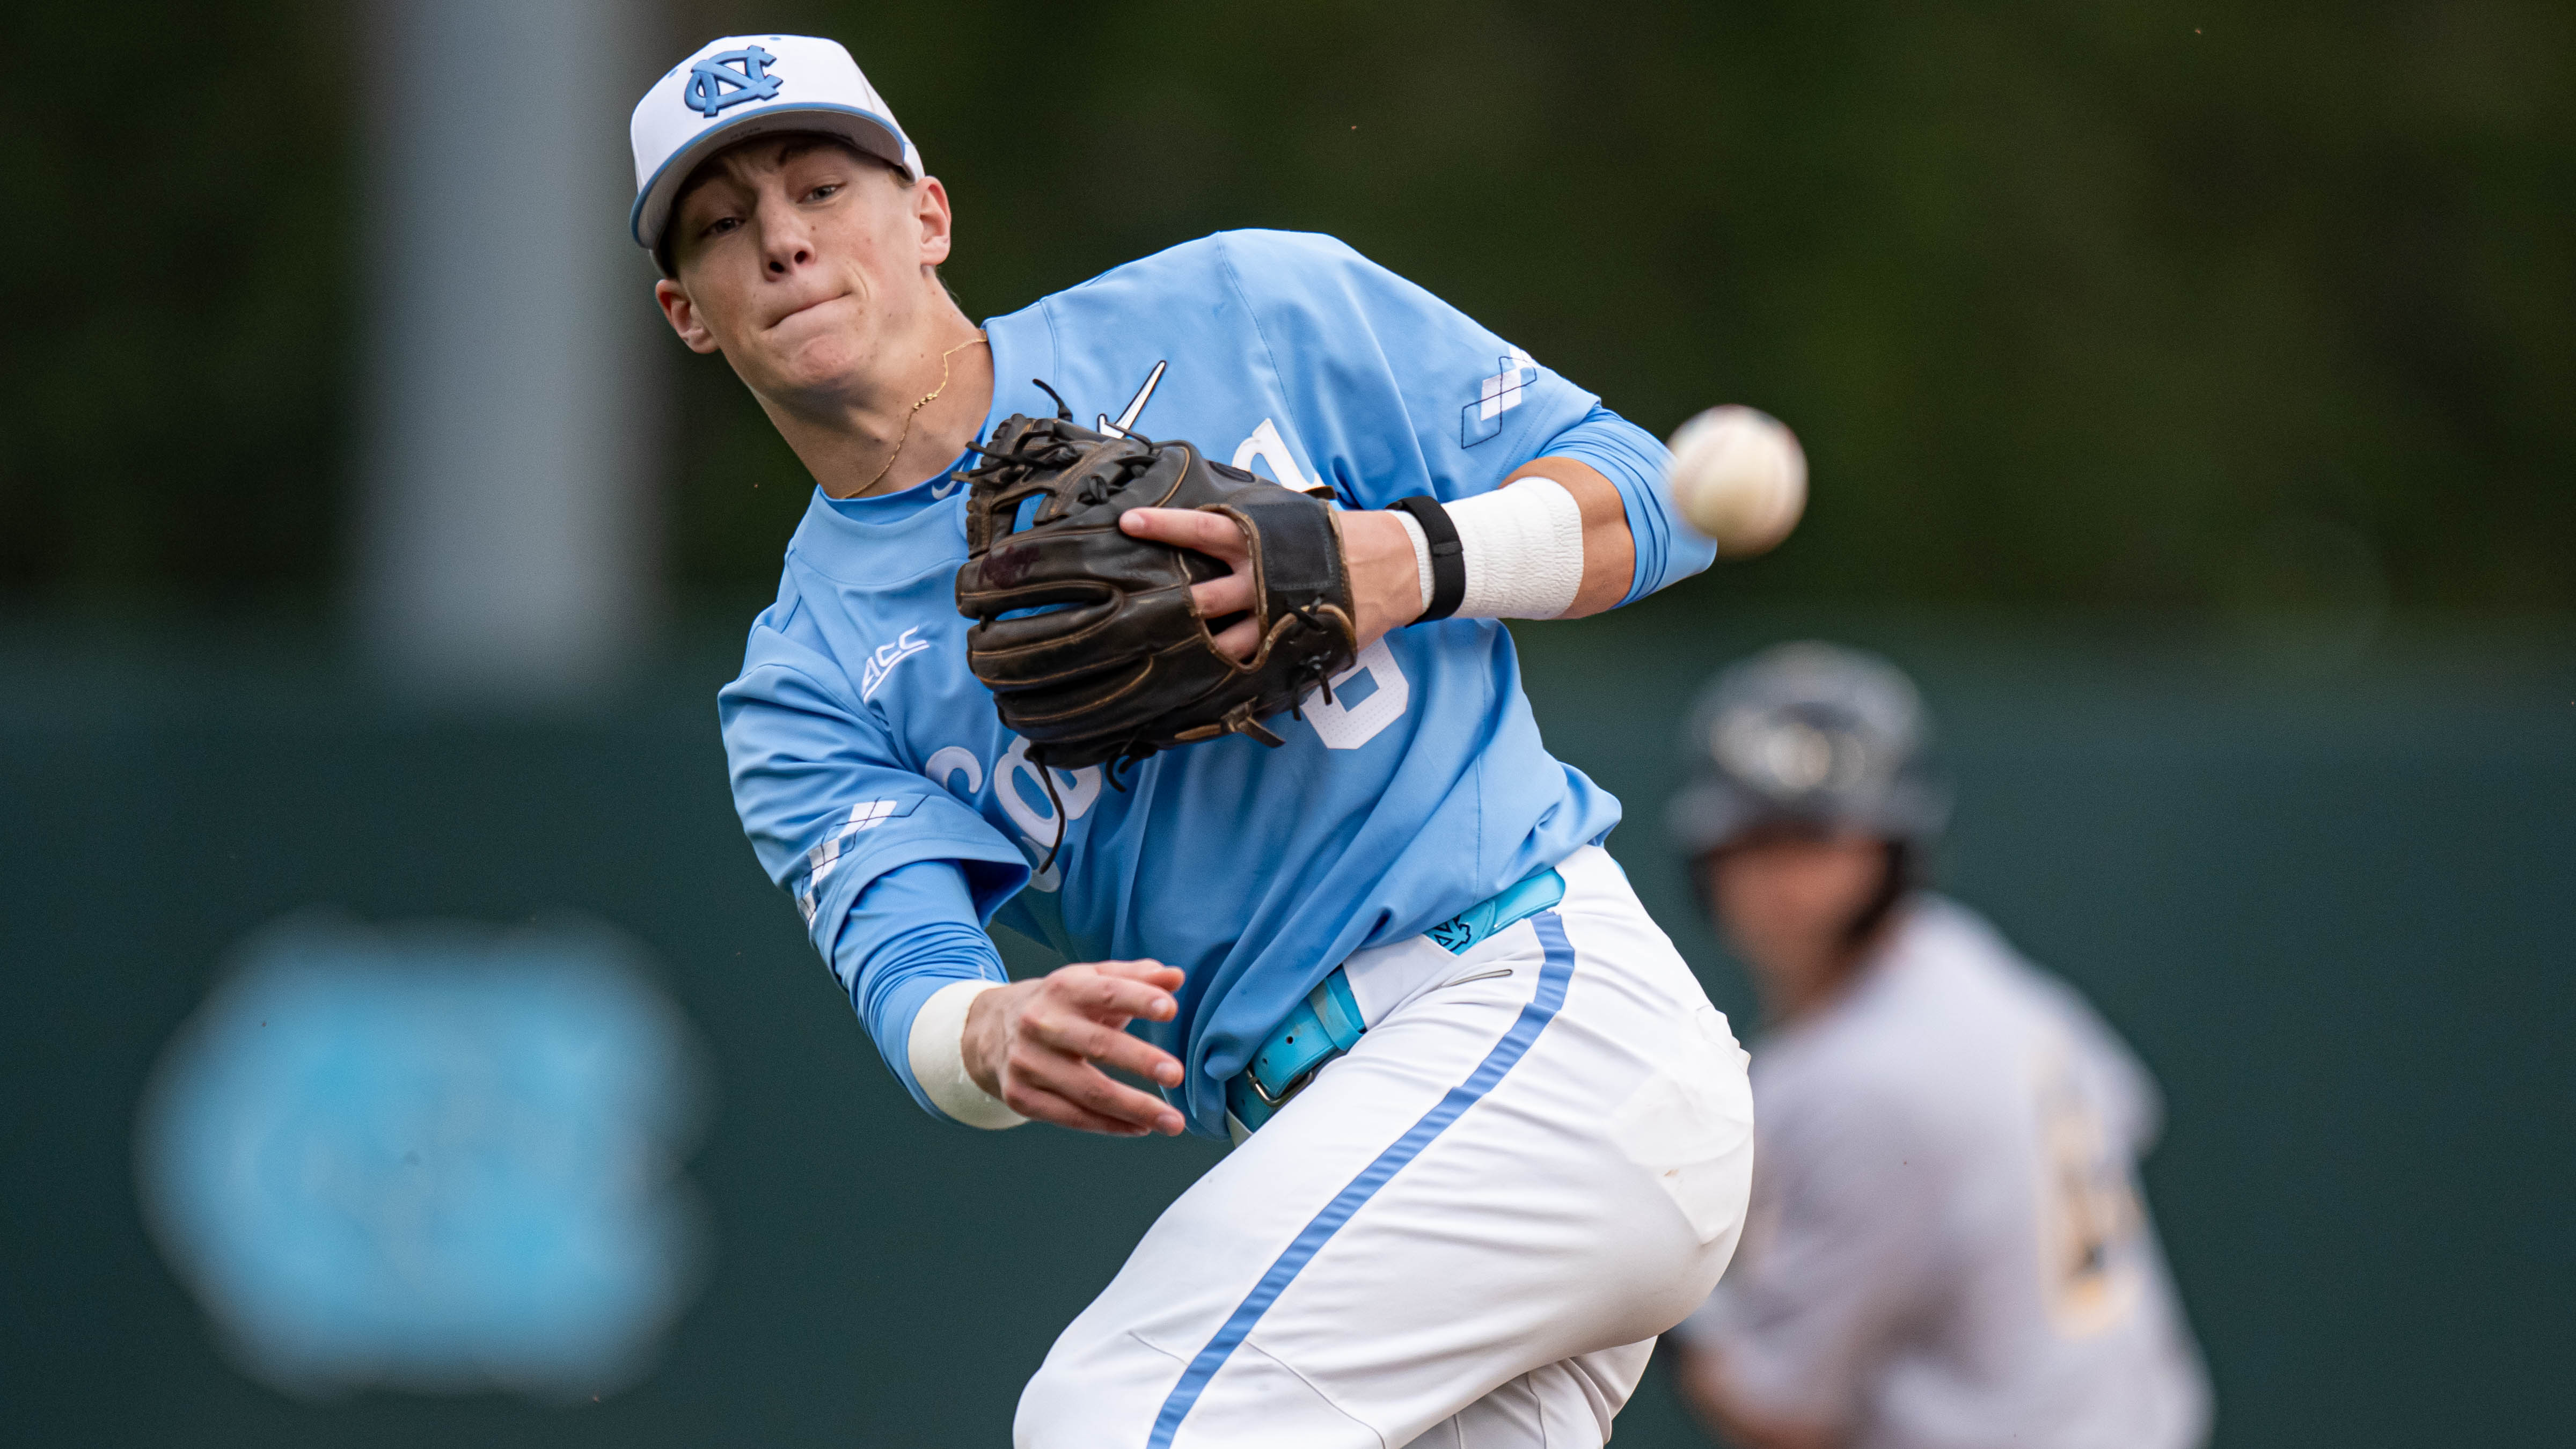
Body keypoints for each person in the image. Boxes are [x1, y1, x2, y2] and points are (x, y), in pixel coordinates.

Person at [628, 34, 1755, 1447]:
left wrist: (1406, 558)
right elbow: (912, 974)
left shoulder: (1245, 305)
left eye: (819, 187)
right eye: (722, 224)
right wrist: (988, 1030)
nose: (784, 240)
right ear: (686, 311)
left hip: (1533, 1017)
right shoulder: (804, 683)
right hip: (1355, 1145)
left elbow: (1660, 498)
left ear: (928, 215)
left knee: (1111, 1420)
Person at [1658, 642, 2211, 1449]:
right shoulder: (1957, 956)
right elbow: (2126, 1105)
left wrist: (1654, 1283)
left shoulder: (1864, 1080)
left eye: (1819, 840)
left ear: (1891, 847)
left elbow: (1779, 1408)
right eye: (1756, 841)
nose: (1785, 880)